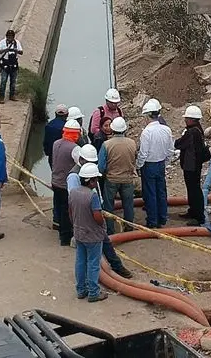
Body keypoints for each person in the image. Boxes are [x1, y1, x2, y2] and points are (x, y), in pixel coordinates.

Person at [68, 143, 134, 279]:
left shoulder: (90, 173)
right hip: (88, 220)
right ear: (81, 160)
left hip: (91, 216)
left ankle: (115, 266)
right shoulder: (74, 177)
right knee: (92, 258)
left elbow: (95, 192)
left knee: (99, 248)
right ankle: (93, 289)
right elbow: (74, 202)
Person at [69, 163, 109, 302]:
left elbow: (70, 211)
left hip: (79, 233)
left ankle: (81, 290)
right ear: (91, 180)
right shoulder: (92, 196)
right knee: (93, 263)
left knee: (80, 261)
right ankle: (93, 292)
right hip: (92, 236)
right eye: (95, 179)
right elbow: (97, 216)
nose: (96, 182)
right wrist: (102, 225)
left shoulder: (73, 192)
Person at [137, 98, 174, 228]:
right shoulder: (166, 130)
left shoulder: (147, 132)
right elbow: (170, 149)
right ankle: (162, 218)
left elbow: (143, 153)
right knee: (161, 192)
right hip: (160, 164)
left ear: (148, 115)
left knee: (150, 193)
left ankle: (152, 220)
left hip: (149, 165)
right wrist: (166, 160)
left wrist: (138, 165)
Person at [99, 117, 137, 234]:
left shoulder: (106, 144)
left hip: (111, 179)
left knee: (109, 206)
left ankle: (110, 230)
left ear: (112, 130)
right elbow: (135, 159)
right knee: (128, 205)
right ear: (124, 129)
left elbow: (101, 166)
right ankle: (129, 227)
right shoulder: (132, 143)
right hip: (128, 179)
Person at [174, 105, 210, 226]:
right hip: (194, 164)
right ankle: (193, 211)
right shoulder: (198, 129)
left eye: (187, 118)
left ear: (192, 119)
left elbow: (179, 144)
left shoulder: (192, 132)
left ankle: (199, 217)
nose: (185, 120)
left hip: (191, 165)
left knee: (194, 190)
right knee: (193, 189)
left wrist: (176, 141)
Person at [52, 119, 82, 246]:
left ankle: (59, 228)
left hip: (55, 181)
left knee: (58, 207)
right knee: (66, 211)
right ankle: (65, 238)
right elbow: (81, 164)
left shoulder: (56, 143)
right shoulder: (75, 148)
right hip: (66, 184)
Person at [0, 29, 23, 103]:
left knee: (13, 81)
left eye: (11, 36)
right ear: (6, 36)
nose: (10, 38)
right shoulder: (2, 42)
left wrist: (15, 50)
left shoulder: (16, 43)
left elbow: (21, 52)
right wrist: (5, 50)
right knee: (3, 81)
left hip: (14, 64)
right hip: (5, 64)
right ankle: (1, 97)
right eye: (9, 36)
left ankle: (12, 95)